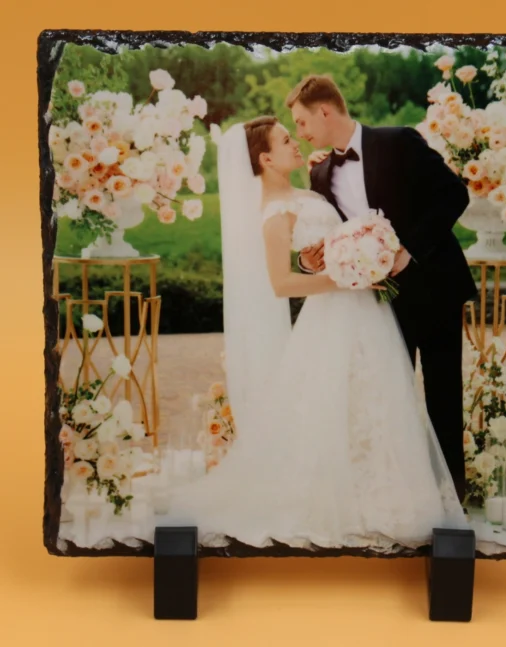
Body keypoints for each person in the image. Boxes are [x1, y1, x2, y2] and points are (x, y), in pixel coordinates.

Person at [167, 116, 469, 552]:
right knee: (334, 404)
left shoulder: (311, 189)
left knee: (381, 398)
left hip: (368, 312)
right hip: (333, 314)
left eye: (295, 134)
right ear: (265, 158)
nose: (295, 142)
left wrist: (353, 257)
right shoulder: (273, 214)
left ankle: (388, 491)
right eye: (285, 140)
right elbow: (281, 284)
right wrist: (343, 277)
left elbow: (333, 240)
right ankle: (343, 498)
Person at [287, 75, 477, 503]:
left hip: (435, 286)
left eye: (301, 122)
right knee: (390, 400)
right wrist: (307, 260)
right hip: (378, 304)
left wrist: (410, 249)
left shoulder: (399, 142)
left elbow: (454, 195)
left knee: (443, 395)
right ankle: (406, 495)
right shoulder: (319, 173)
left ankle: (454, 499)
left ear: (324, 111)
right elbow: (323, 236)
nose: (301, 133)